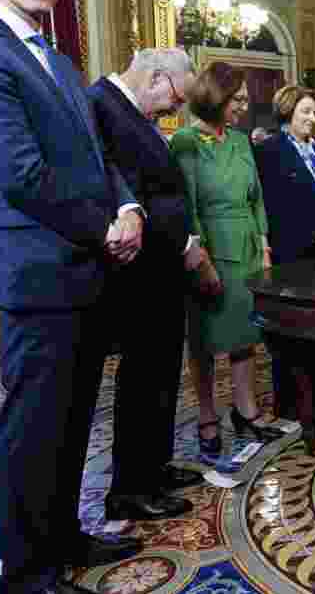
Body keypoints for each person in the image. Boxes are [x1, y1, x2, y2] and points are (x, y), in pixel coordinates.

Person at [0, 0, 145, 592]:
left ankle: (63, 537)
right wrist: (105, 227)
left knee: (71, 424)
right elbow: (18, 171)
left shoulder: (57, 57)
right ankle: (27, 572)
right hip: (36, 271)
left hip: (86, 271)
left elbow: (101, 154)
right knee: (32, 433)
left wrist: (125, 206)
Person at [86, 48, 208, 522]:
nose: (174, 111)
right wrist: (181, 244)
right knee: (141, 381)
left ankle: (154, 468)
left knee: (159, 376)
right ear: (157, 78)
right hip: (138, 273)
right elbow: (121, 191)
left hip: (162, 270)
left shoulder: (134, 113)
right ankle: (131, 488)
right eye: (175, 99)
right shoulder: (101, 105)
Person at [170, 62, 284, 456]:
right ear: (215, 97)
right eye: (237, 99)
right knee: (204, 340)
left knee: (245, 334)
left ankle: (246, 409)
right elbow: (187, 205)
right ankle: (206, 416)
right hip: (211, 249)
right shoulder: (184, 142)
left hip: (247, 248)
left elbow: (257, 199)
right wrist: (201, 259)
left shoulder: (240, 140)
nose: (243, 106)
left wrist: (265, 245)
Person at [255, 86, 315, 425]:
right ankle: (290, 402)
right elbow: (273, 206)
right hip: (291, 254)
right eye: (305, 111)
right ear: (288, 112)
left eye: (314, 112)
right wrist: (311, 236)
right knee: (290, 331)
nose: (312, 118)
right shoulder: (268, 151)